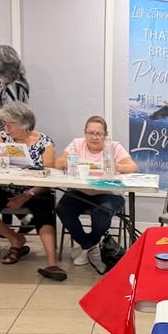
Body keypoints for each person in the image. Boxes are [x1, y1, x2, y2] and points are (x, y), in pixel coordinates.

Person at [0, 101, 66, 281]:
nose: (6, 128)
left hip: (36, 190)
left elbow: (49, 177)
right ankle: (15, 239)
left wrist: (25, 196)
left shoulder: (45, 143)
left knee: (43, 209)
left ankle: (52, 263)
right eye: (5, 123)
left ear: (24, 125)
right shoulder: (1, 137)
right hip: (6, 188)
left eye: (9, 124)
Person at [55, 116, 136, 273]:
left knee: (101, 212)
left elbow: (132, 167)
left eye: (99, 133)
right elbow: (58, 163)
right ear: (85, 133)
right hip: (80, 191)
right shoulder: (77, 144)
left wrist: (114, 165)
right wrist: (68, 163)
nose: (94, 137)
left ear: (105, 135)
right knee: (62, 209)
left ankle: (88, 247)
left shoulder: (113, 146)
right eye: (90, 132)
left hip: (109, 192)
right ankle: (90, 246)